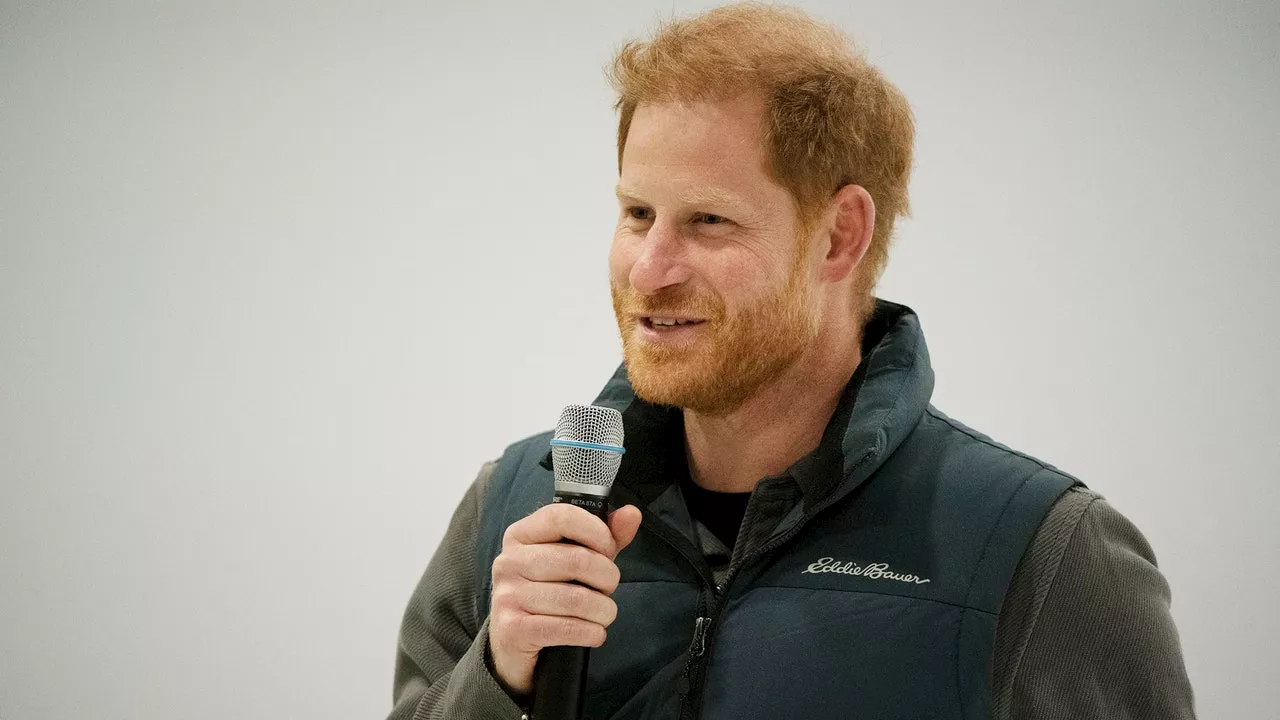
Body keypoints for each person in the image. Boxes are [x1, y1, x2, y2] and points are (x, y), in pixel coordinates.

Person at [388, 4, 1196, 719]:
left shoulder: (1042, 553)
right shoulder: (512, 515)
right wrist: (495, 686)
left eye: (708, 221)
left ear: (840, 235)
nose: (649, 269)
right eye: (638, 213)